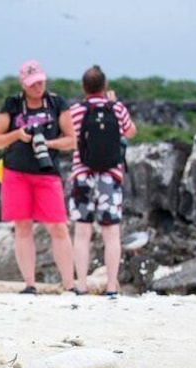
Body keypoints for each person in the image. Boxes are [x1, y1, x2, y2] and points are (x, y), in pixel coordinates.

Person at [0, 60, 76, 294]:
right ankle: (29, 283)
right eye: (32, 84)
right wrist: (18, 134)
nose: (37, 87)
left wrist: (48, 143)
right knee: (22, 226)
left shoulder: (57, 103)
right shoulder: (13, 104)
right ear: (23, 84)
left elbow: (71, 140)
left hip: (47, 173)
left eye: (40, 82)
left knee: (58, 227)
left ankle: (70, 283)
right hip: (16, 172)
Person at [68, 65, 137, 297]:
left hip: (82, 174)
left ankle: (81, 286)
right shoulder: (116, 108)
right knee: (111, 232)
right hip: (110, 175)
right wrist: (114, 103)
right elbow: (131, 131)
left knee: (82, 231)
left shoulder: (76, 111)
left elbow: (70, 138)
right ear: (105, 86)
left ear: (83, 87)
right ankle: (111, 286)